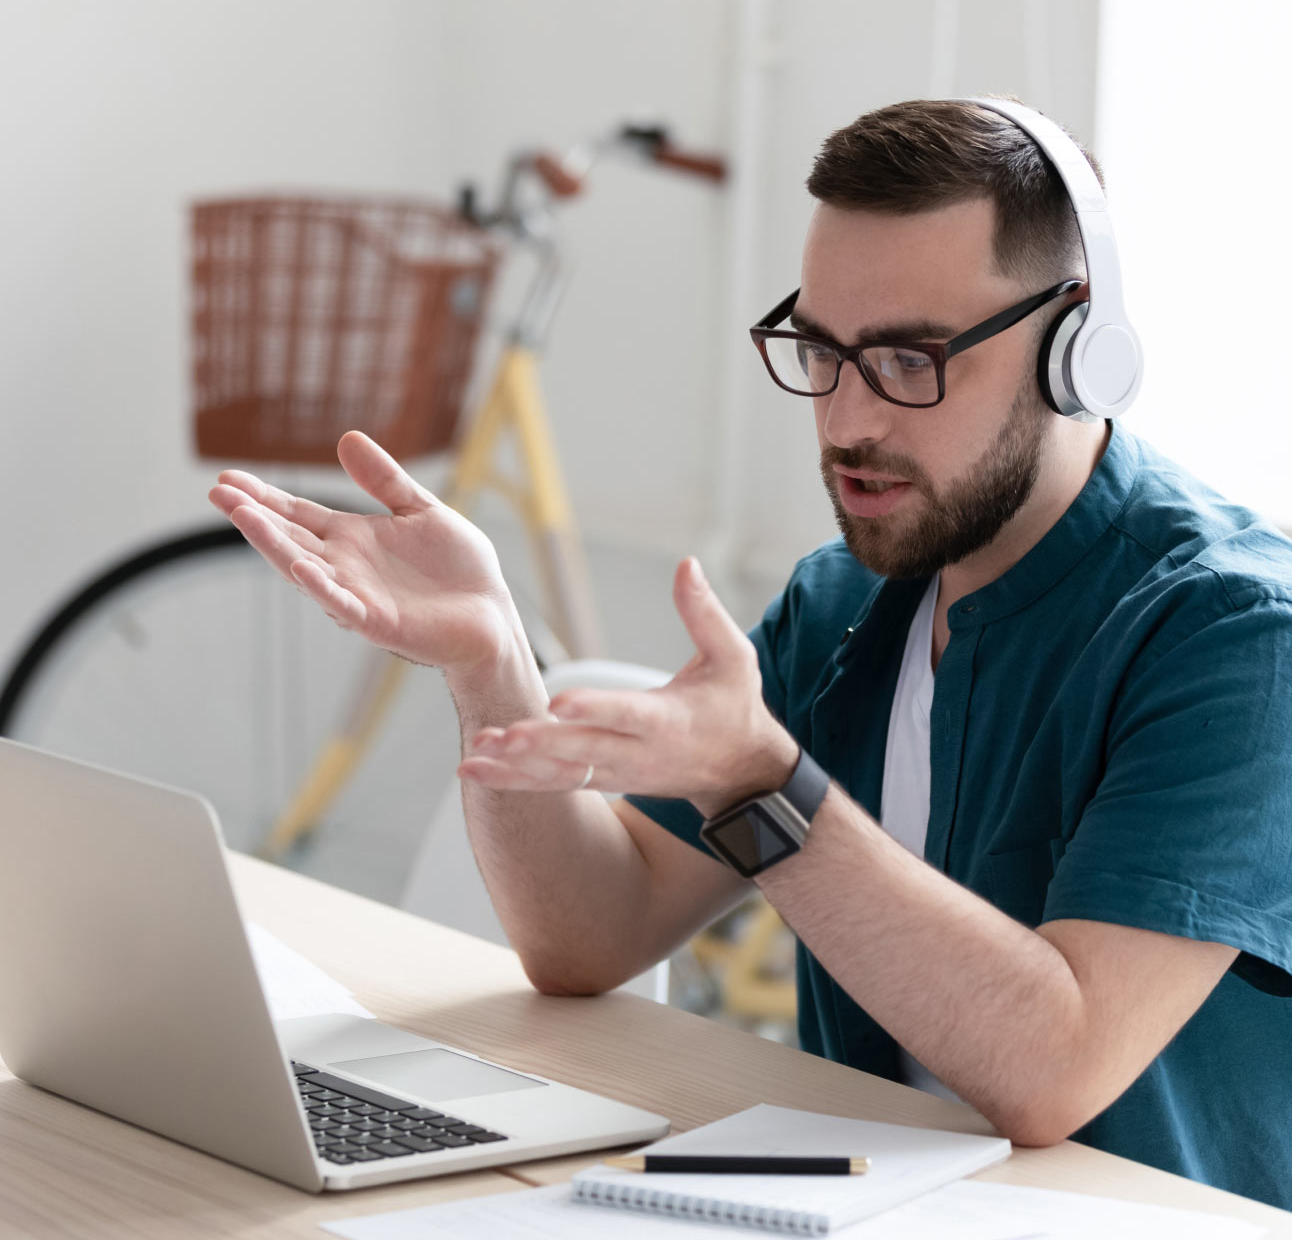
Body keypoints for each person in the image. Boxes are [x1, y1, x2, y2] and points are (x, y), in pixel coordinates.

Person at [210, 99, 1292, 1208]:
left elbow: (1051, 1069)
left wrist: (762, 786)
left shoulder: (1236, 639)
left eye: (908, 360)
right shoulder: (845, 597)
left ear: (1077, 347)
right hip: (868, 1201)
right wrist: (488, 665)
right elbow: (590, 933)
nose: (844, 420)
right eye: (818, 350)